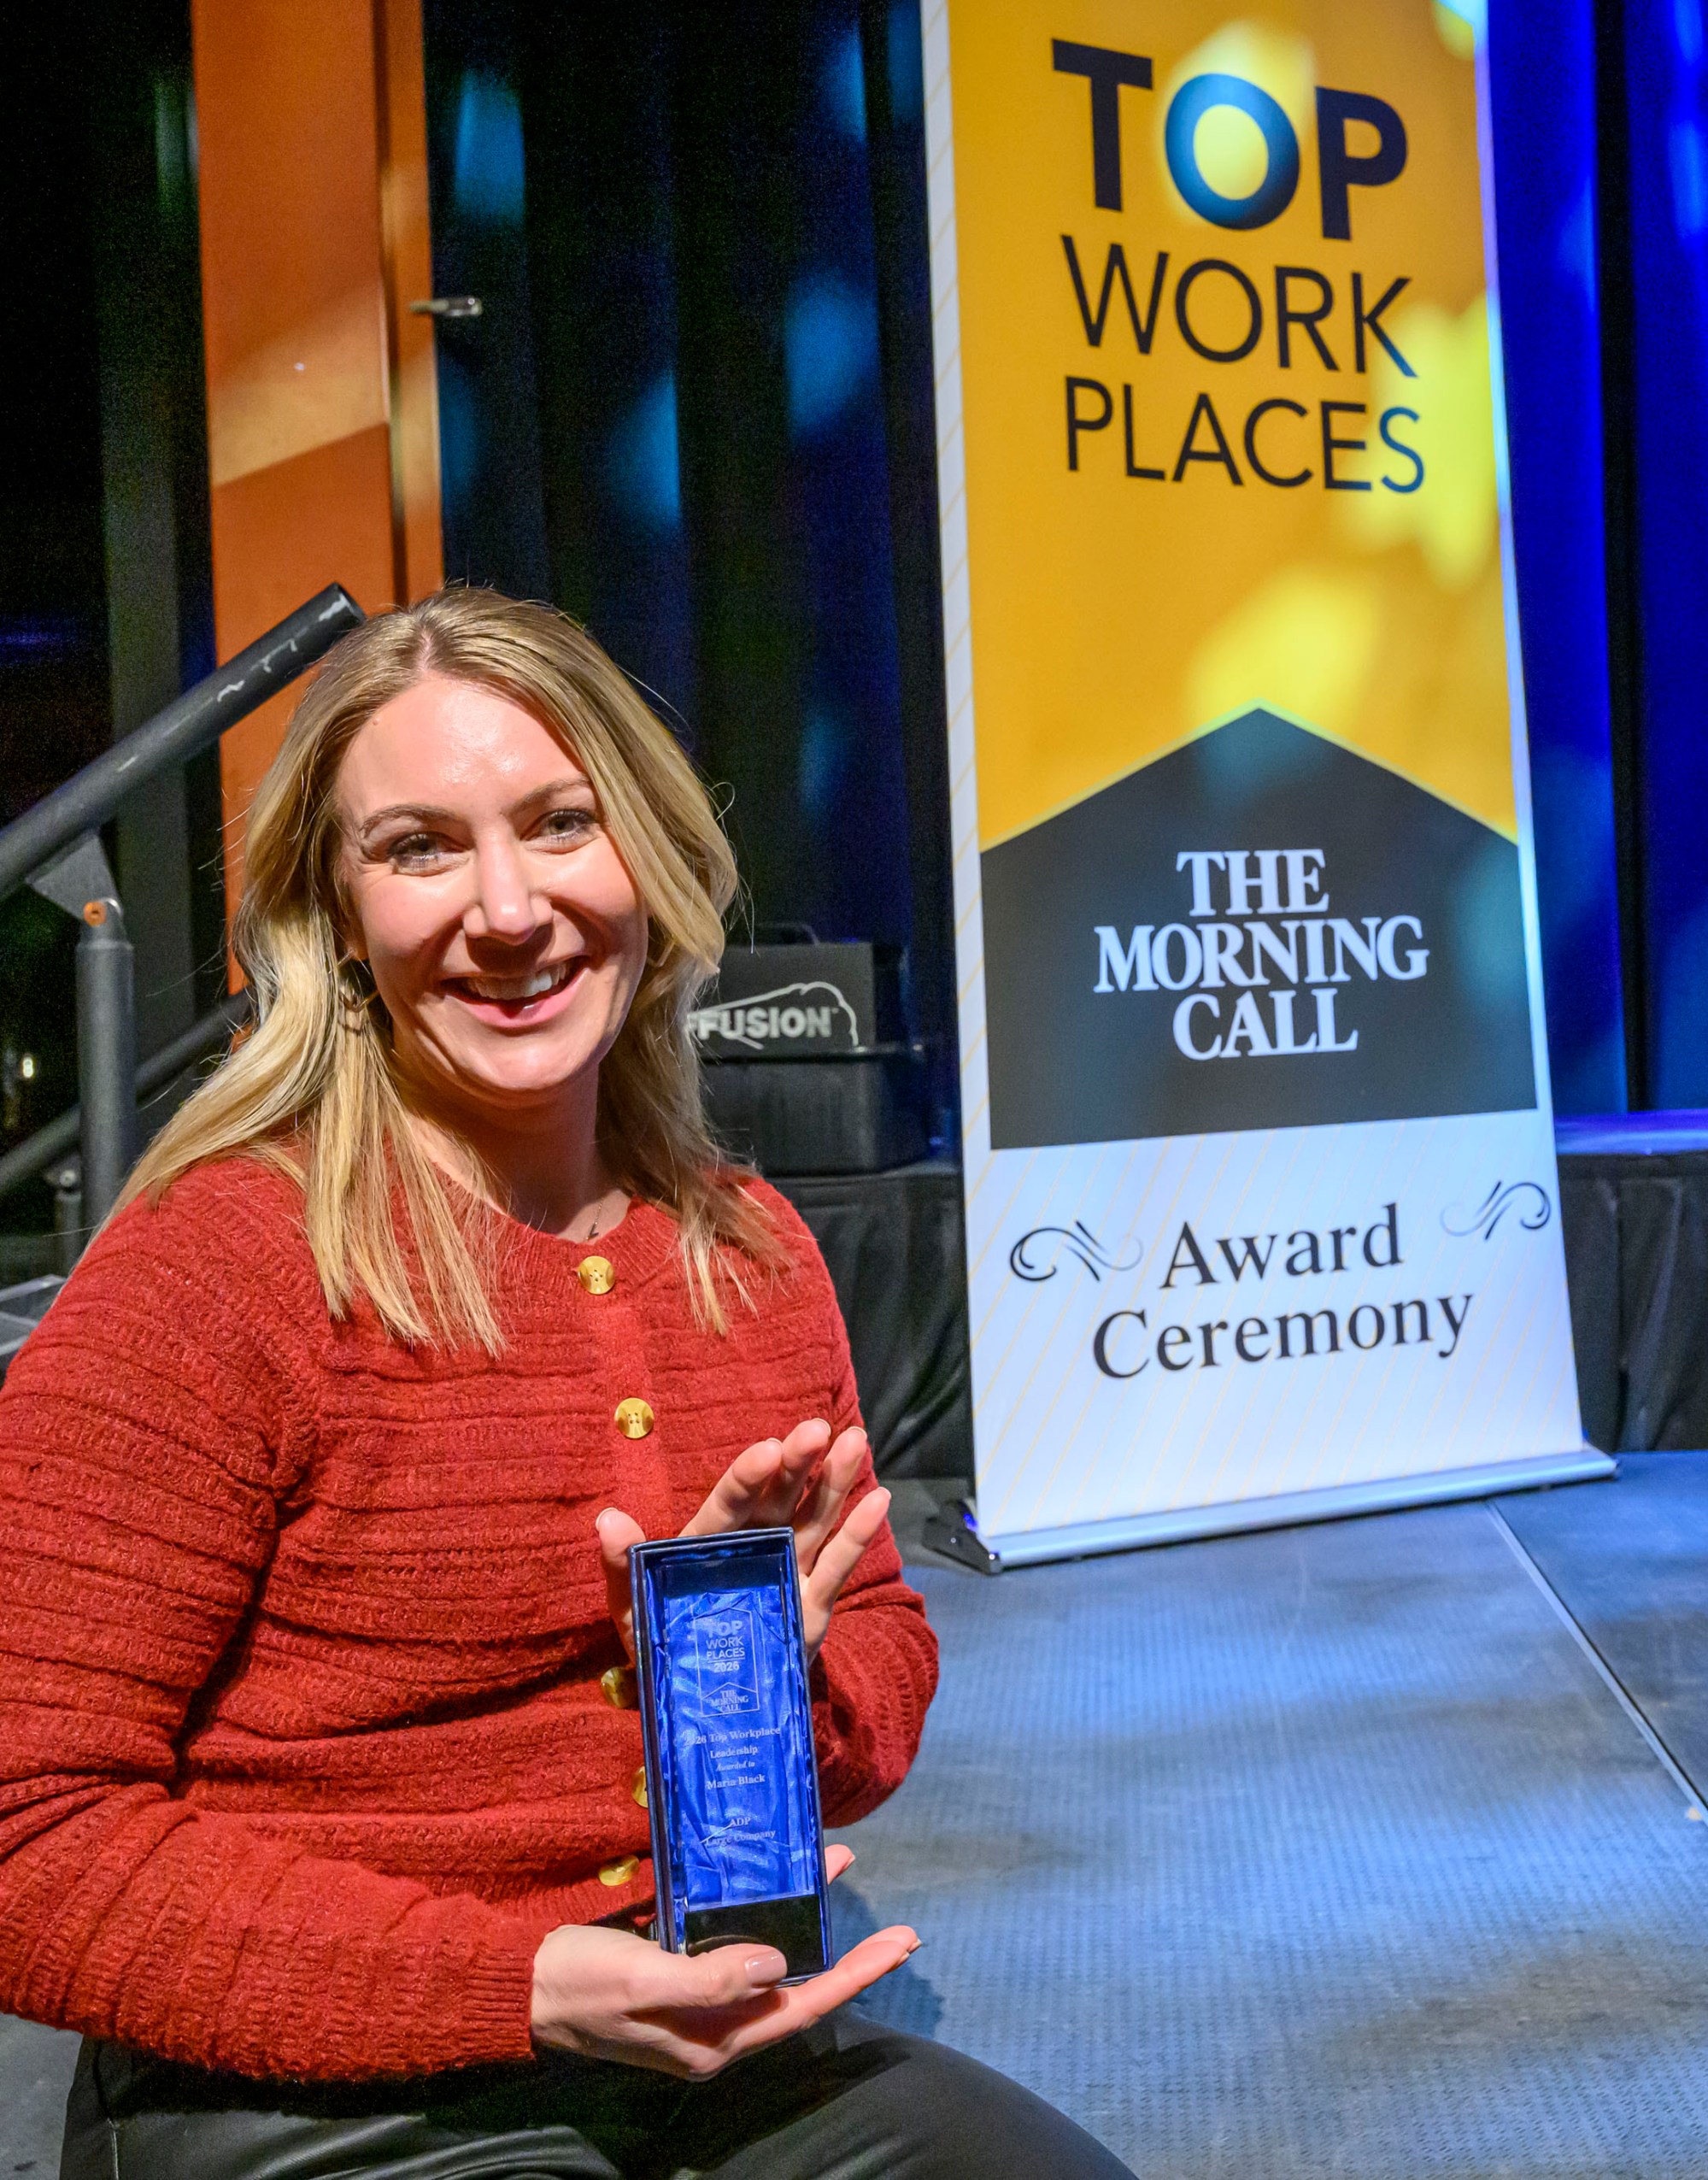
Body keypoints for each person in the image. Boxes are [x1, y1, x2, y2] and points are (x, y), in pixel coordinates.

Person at [0, 590, 1133, 2178]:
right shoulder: (220, 1266)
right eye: (419, 848)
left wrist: (753, 1682)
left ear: (648, 861)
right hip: (313, 2094)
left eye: (558, 823)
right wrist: (517, 1980)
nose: (511, 906)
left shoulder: (752, 1253)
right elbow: (25, 1836)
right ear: (334, 920)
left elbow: (879, 1665)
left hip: (690, 2028)